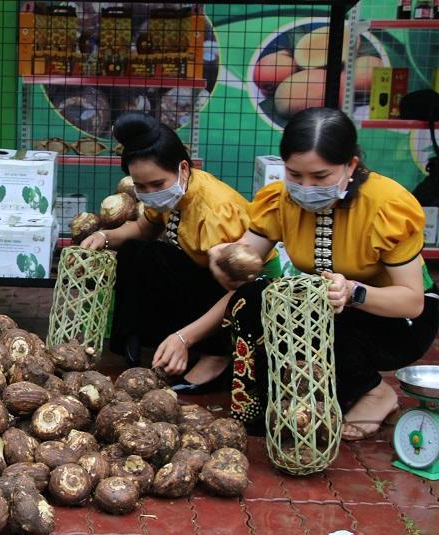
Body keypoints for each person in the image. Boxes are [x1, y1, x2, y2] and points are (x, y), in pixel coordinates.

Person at [208, 107, 439, 440]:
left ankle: (376, 392)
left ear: (351, 166)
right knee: (254, 298)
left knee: (322, 312)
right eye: (294, 174)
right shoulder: (280, 200)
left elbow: (412, 302)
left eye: (320, 177)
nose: (305, 187)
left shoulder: (386, 205)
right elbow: (247, 254)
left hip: (398, 321)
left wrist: (354, 292)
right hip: (330, 309)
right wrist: (225, 258)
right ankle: (264, 401)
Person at [81, 113, 280, 392]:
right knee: (138, 251)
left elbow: (237, 291)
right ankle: (137, 340)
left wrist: (184, 338)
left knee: (167, 261)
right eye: (141, 186)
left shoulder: (213, 210)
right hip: (206, 278)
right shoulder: (174, 195)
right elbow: (144, 229)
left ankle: (217, 355)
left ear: (183, 168)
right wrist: (105, 236)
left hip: (248, 289)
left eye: (157, 184)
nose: (150, 193)